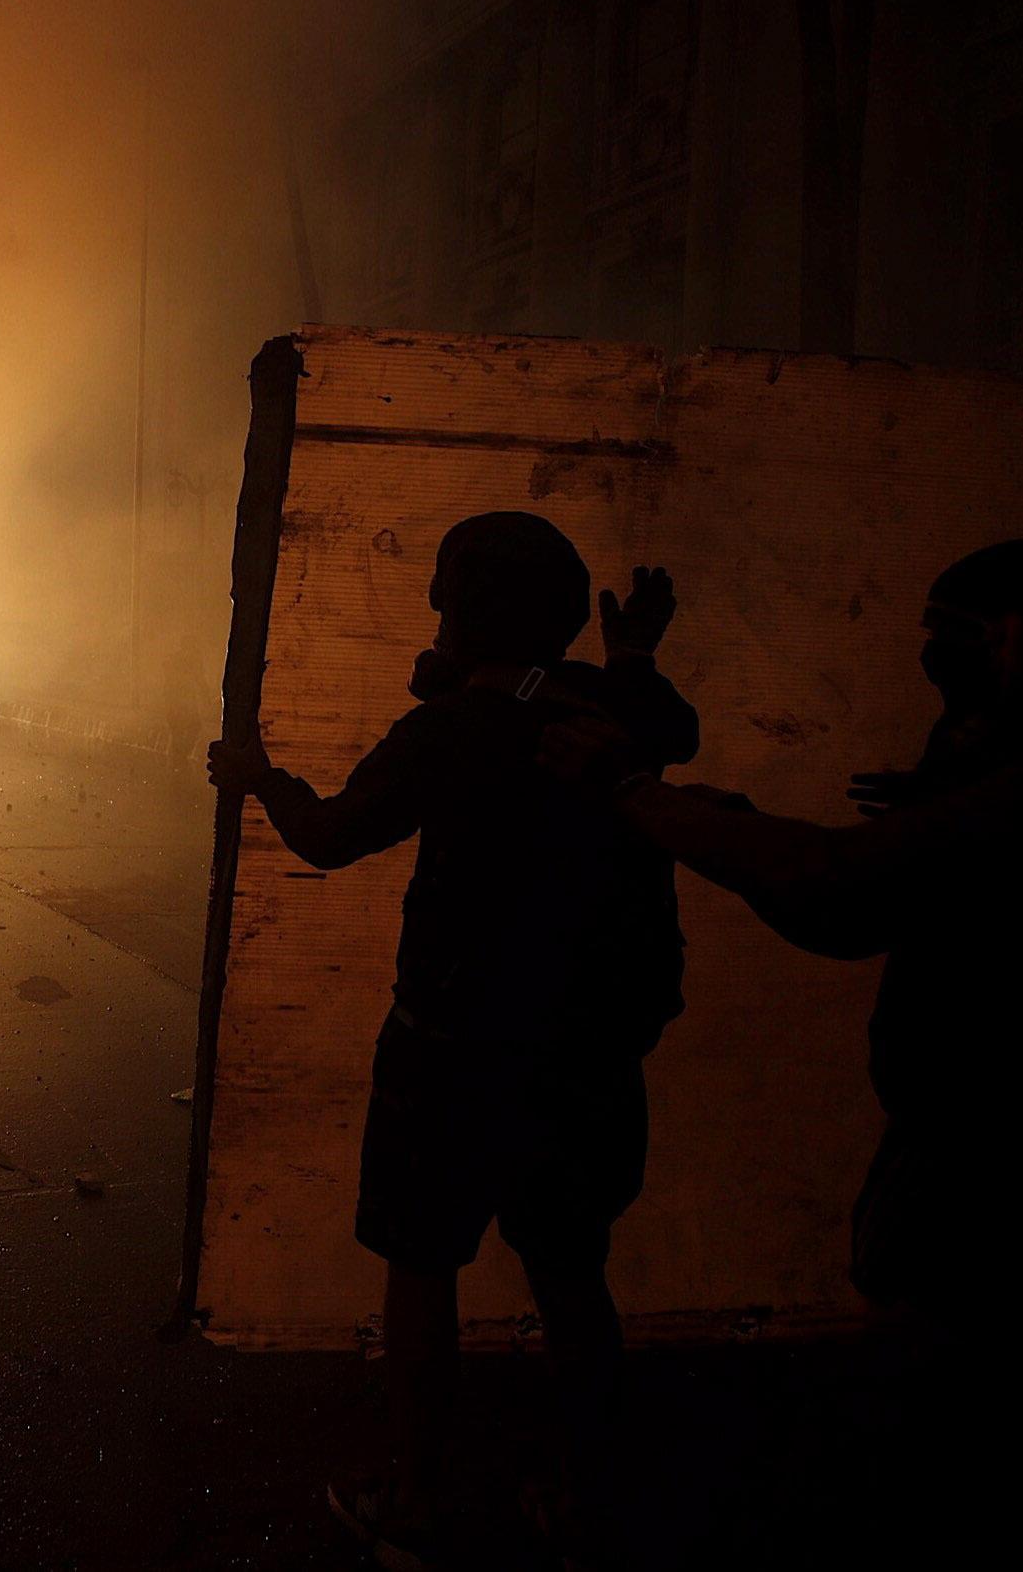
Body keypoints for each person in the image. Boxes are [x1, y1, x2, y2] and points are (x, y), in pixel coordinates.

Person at [539, 521, 1023, 1562]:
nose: (958, 659)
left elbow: (836, 889)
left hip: (1000, 1168)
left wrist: (638, 785)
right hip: (966, 1146)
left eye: (984, 633)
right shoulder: (1007, 759)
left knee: (957, 1421)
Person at [209, 513, 699, 1570]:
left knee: (423, 1265)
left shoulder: (452, 730)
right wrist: (629, 656)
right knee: (570, 1272)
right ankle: (587, 1497)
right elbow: (674, 725)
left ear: (456, 608)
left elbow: (329, 836)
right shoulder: (612, 713)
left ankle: (422, 1502)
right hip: (588, 1061)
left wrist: (257, 774)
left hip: (451, 1057)